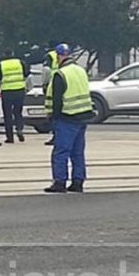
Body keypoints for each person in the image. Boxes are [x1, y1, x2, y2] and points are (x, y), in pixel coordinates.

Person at [44, 43, 94, 193]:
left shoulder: (61, 74)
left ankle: (60, 182)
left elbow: (57, 100)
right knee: (77, 152)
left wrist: (53, 118)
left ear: (59, 56)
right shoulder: (81, 70)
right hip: (83, 116)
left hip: (67, 117)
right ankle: (78, 182)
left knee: (61, 151)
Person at [0, 49, 31, 143]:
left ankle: (10, 137)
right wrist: (27, 88)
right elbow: (28, 76)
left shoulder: (1, 65)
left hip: (7, 92)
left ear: (4, 54)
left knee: (7, 114)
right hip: (19, 91)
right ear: (13, 54)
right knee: (18, 112)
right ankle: (19, 129)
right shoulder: (20, 62)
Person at [42, 44, 61, 146]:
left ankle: (55, 135)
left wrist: (44, 84)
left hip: (53, 84)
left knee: (53, 111)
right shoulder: (66, 54)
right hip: (64, 82)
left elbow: (46, 70)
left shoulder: (49, 55)